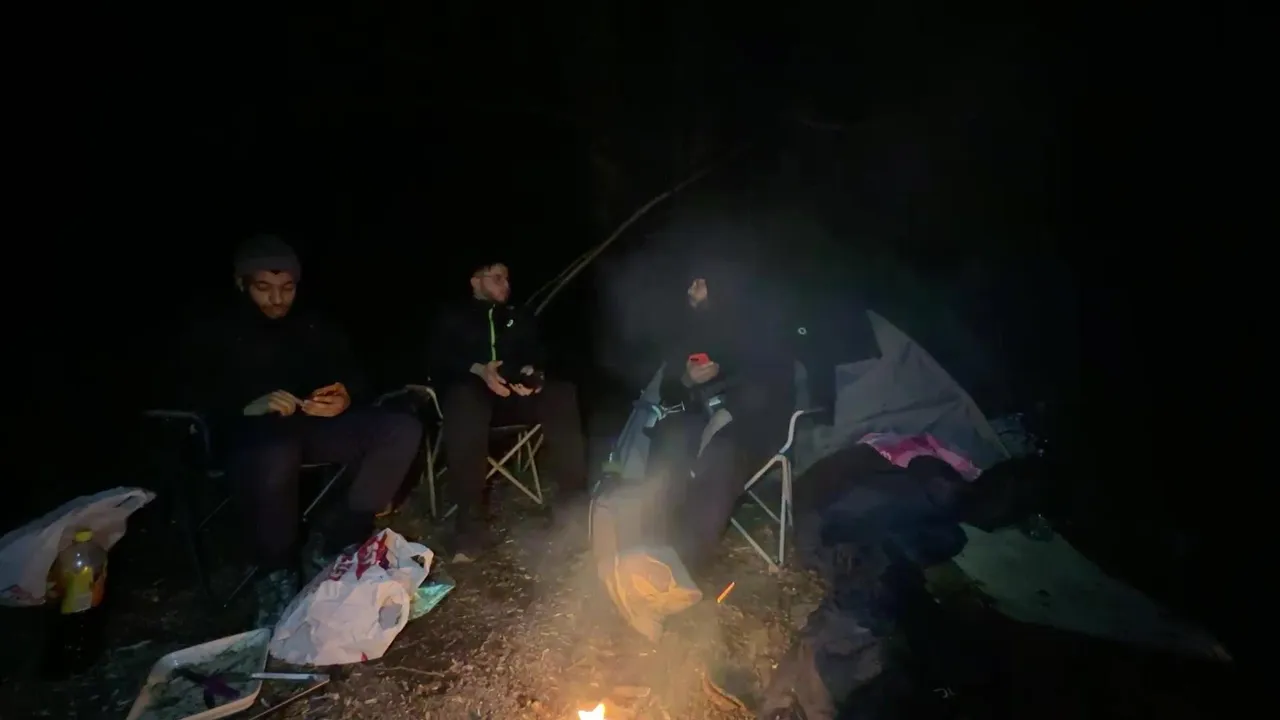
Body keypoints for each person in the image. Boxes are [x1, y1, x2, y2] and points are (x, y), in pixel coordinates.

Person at [180, 235, 423, 626]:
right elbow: (188, 390)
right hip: (247, 436)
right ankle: (276, 572)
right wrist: (245, 405)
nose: (277, 299)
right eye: (264, 288)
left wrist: (345, 395)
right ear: (242, 284)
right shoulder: (214, 328)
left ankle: (340, 539)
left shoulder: (311, 325)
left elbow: (356, 373)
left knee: (401, 428)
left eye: (287, 288)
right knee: (276, 448)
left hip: (311, 426)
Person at [431, 259, 587, 562]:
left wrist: (532, 374)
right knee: (464, 399)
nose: (506, 285)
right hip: (472, 400)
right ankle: (469, 530)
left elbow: (538, 353)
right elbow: (438, 360)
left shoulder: (518, 316)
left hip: (514, 398)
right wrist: (479, 370)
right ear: (476, 281)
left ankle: (575, 512)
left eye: (507, 278)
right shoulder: (453, 317)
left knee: (561, 393)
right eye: (497, 278)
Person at [649, 257, 796, 572]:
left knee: (722, 451)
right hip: (700, 419)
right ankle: (653, 539)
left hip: (750, 424)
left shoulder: (753, 324)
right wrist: (687, 379)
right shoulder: (684, 332)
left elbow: (774, 383)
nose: (694, 289)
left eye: (702, 282)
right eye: (691, 283)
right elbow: (668, 391)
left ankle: (683, 564)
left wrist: (728, 404)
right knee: (668, 435)